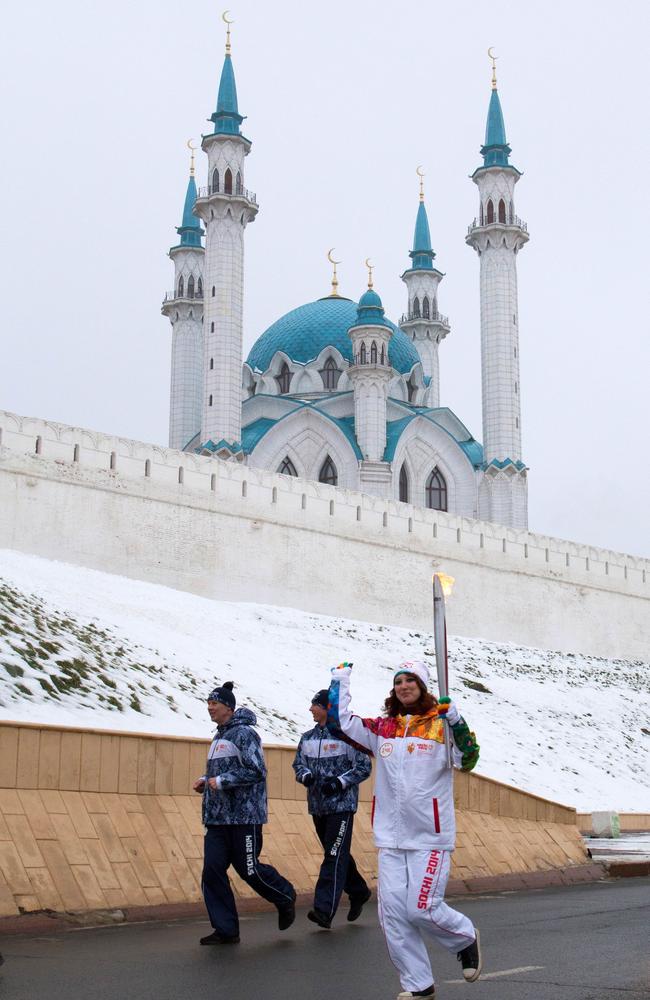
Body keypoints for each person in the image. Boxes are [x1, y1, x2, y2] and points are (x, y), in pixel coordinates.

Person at [327, 660, 482, 999]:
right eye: (399, 681)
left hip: (430, 835)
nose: (404, 686)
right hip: (391, 837)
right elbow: (339, 724)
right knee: (393, 916)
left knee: (422, 907)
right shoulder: (383, 728)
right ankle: (418, 985)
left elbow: (468, 758)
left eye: (411, 680)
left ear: (424, 687)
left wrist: (456, 720)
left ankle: (465, 937)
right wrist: (340, 680)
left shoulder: (441, 727)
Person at [193, 681, 296, 945]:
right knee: (212, 871)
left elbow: (256, 771)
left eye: (214, 703)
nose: (210, 708)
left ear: (228, 707)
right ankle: (226, 930)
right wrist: (206, 780)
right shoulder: (219, 736)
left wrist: (223, 781)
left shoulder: (244, 734)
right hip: (218, 818)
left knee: (248, 869)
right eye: (208, 703)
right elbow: (223, 772)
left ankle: (283, 895)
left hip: (244, 817)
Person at [292, 688, 373, 929]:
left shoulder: (347, 736)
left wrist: (339, 783)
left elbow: (363, 767)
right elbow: (298, 763)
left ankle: (323, 910)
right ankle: (358, 891)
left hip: (341, 806)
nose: (310, 709)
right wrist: (304, 775)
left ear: (327, 708)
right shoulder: (307, 737)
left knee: (334, 854)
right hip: (317, 806)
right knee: (336, 853)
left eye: (314, 705)